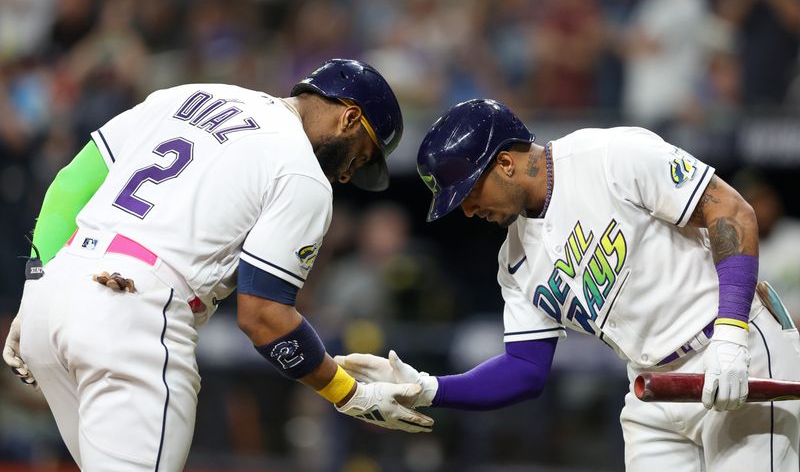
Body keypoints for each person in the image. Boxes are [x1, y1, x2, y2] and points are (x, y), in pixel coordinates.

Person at [2, 59, 433, 471]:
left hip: (56, 294)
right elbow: (264, 317)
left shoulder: (193, 94)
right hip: (132, 315)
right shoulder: (302, 173)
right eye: (359, 157)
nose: (347, 174)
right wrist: (347, 392)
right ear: (350, 118)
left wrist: (38, 284)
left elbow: (70, 184)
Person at [336, 99, 800, 471]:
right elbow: (525, 370)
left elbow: (732, 212)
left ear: (505, 164)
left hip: (733, 347)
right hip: (650, 387)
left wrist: (731, 336)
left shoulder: (609, 156)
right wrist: (429, 388)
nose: (468, 211)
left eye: (469, 193)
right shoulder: (514, 259)